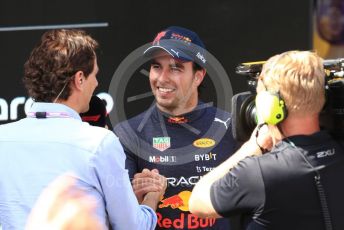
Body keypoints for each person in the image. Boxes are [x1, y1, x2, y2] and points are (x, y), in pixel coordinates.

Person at [0, 29, 166, 230]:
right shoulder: (99, 143)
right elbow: (132, 227)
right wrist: (152, 197)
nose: (96, 83)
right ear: (79, 79)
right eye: (94, 74)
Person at [189, 50, 344, 229]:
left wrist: (251, 148)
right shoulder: (339, 151)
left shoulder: (258, 173)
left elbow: (197, 202)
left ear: (270, 107)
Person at [114, 26, 238, 229]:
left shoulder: (231, 127)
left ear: (198, 76)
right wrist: (136, 195)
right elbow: (121, 219)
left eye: (175, 68)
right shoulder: (127, 133)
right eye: (156, 66)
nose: (162, 78)